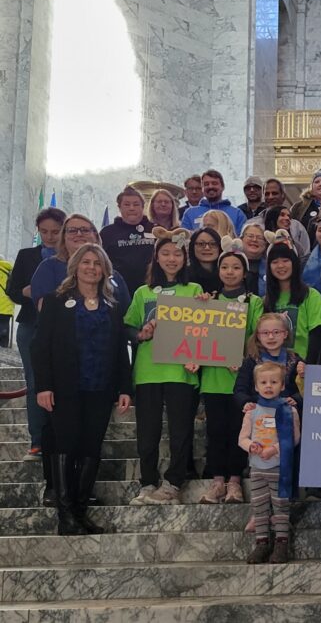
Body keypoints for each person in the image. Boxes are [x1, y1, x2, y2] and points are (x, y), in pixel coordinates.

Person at [31, 244, 132, 534]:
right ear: (75, 266)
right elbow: (40, 347)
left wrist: (125, 387)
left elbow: (118, 349)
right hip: (65, 389)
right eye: (86, 262)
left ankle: (79, 511)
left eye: (97, 263)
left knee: (91, 448)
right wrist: (44, 386)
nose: (91, 268)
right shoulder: (55, 301)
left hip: (100, 388)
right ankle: (65, 516)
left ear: (104, 270)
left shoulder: (112, 306)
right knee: (66, 445)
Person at [126, 229, 203, 506]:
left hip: (181, 371)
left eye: (177, 254)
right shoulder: (142, 292)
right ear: (156, 257)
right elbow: (127, 326)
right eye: (166, 253)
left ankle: (173, 482)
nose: (172, 259)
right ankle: (147, 482)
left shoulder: (194, 291)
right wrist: (140, 334)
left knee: (181, 431)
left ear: (185, 258)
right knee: (147, 432)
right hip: (148, 371)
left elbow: (203, 329)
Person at [196, 241, 260, 505]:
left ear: (244, 272)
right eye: (225, 267)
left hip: (240, 380)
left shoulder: (254, 302)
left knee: (238, 431)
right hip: (213, 377)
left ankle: (235, 482)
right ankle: (217, 482)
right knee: (216, 431)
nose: (230, 272)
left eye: (236, 267)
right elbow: (196, 335)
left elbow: (257, 335)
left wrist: (243, 359)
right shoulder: (210, 301)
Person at [6, 207, 65, 462]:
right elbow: (13, 290)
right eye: (45, 232)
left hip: (65, 328)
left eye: (55, 231)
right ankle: (37, 441)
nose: (50, 237)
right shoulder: (27, 255)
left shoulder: (73, 256)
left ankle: (63, 437)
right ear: (38, 231)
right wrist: (28, 292)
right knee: (35, 383)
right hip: (32, 325)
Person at [239, 361, 301, 564]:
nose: (268, 386)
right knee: (259, 507)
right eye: (263, 382)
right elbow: (242, 438)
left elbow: (294, 438)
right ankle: (262, 543)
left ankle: (281, 543)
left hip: (279, 468)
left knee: (281, 505)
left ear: (282, 386)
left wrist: (275, 448)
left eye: (273, 382)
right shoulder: (251, 412)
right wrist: (251, 446)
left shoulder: (289, 410)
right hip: (257, 468)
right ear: (256, 386)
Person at [250, 241, 321, 364]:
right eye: (275, 262)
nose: (280, 266)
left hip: (300, 366)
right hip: (270, 369)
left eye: (285, 260)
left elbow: (316, 334)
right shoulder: (264, 301)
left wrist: (308, 365)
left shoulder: (312, 296)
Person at [100, 186, 155, 291]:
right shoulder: (106, 233)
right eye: (126, 204)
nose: (131, 208)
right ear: (119, 207)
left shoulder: (155, 230)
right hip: (118, 289)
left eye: (136, 204)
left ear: (143, 207)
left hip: (151, 288)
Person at [180, 169, 247, 233]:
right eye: (206, 184)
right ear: (202, 189)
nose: (210, 187)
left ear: (223, 187)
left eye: (214, 183)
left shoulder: (237, 214)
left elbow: (240, 241)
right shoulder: (190, 213)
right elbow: (185, 240)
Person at [186, 227, 223, 294]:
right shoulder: (184, 275)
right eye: (201, 244)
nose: (207, 248)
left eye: (213, 244)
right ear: (192, 247)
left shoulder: (227, 275)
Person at [240, 223, 268, 296]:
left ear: (265, 243)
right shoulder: (231, 262)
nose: (254, 240)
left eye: (259, 238)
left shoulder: (271, 266)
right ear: (241, 239)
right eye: (250, 236)